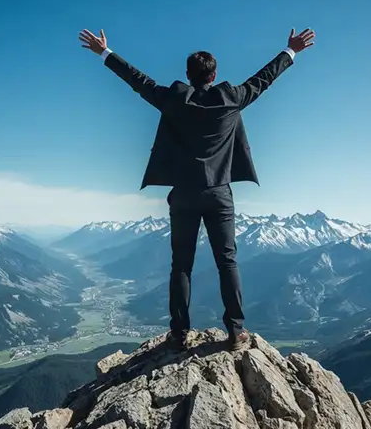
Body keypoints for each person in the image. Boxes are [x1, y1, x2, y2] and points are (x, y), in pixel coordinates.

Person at [78, 27, 316, 351]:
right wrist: (290, 51)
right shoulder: (231, 98)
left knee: (181, 265)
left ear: (188, 75)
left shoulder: (174, 99)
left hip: (184, 194)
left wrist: (105, 53)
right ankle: (236, 331)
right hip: (219, 193)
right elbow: (263, 79)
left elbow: (138, 81)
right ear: (214, 75)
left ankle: (179, 334)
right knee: (227, 262)